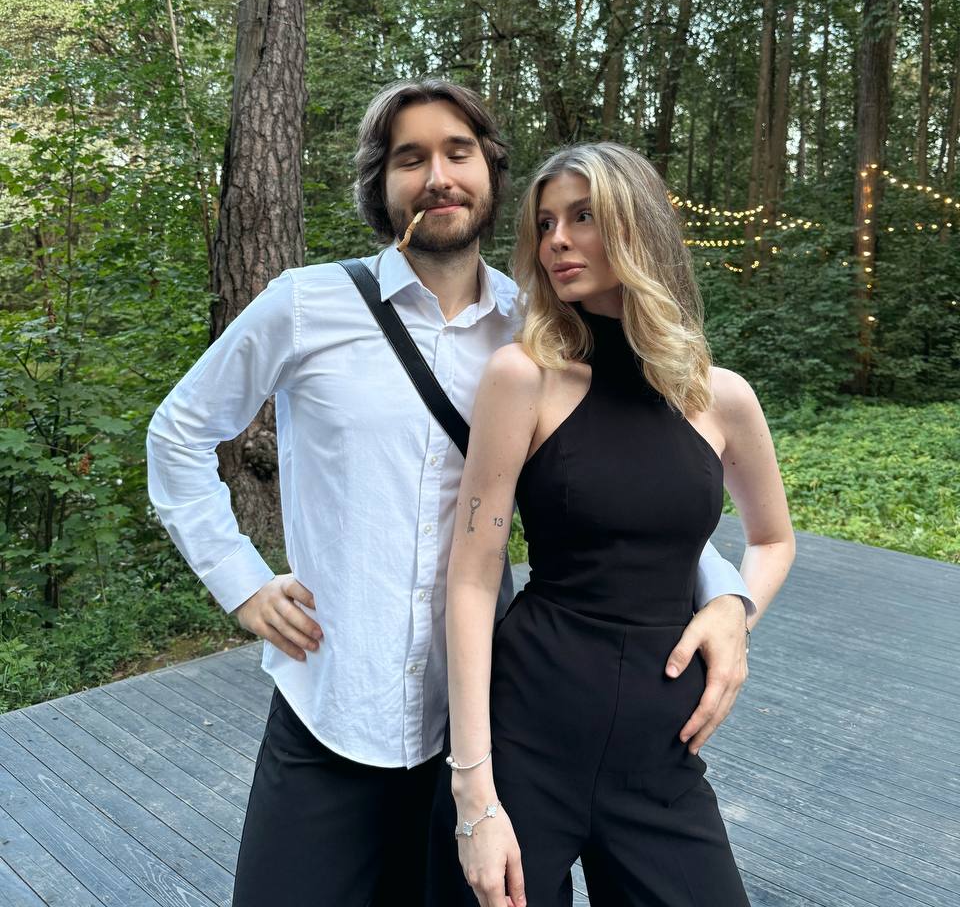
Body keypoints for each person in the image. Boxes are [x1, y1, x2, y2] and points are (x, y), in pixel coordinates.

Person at [146, 82, 756, 907]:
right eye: (411, 158)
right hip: (333, 706)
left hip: (484, 723)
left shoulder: (541, 329)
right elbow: (177, 433)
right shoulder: (306, 304)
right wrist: (241, 580)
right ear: (381, 185)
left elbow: (633, 489)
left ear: (491, 173)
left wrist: (728, 598)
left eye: (457, 153)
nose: (438, 176)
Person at [446, 141, 796, 907]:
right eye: (545, 224)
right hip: (530, 736)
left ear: (638, 228)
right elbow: (472, 578)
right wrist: (475, 795)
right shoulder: (524, 379)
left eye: (583, 217)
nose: (557, 240)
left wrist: (734, 609)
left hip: (661, 754)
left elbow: (773, 539)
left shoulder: (721, 398)